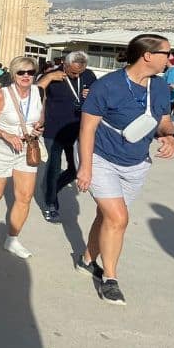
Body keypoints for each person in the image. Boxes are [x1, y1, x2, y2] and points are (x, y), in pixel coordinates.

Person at [76, 34, 174, 304]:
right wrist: (85, 168)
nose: (169, 58)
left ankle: (87, 259)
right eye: (166, 53)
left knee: (107, 218)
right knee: (119, 219)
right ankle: (110, 278)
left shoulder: (158, 87)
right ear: (148, 55)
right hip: (102, 159)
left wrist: (169, 135)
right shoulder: (107, 86)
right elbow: (87, 129)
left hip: (136, 164)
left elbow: (164, 120)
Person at [0, 55, 44, 259]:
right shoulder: (2, 95)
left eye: (30, 72)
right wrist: (6, 134)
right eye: (21, 72)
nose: (26, 76)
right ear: (14, 74)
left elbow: (40, 116)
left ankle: (12, 239)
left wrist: (39, 127)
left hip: (26, 148)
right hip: (1, 148)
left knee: (25, 197)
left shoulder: (38, 92)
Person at [35, 50, 97, 222]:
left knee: (76, 169)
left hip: (78, 130)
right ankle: (50, 204)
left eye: (80, 72)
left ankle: (50, 189)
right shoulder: (51, 75)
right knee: (53, 167)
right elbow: (34, 93)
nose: (77, 75)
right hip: (54, 130)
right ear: (65, 64)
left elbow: (99, 97)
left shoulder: (89, 75)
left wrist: (91, 94)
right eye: (73, 72)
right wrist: (47, 79)